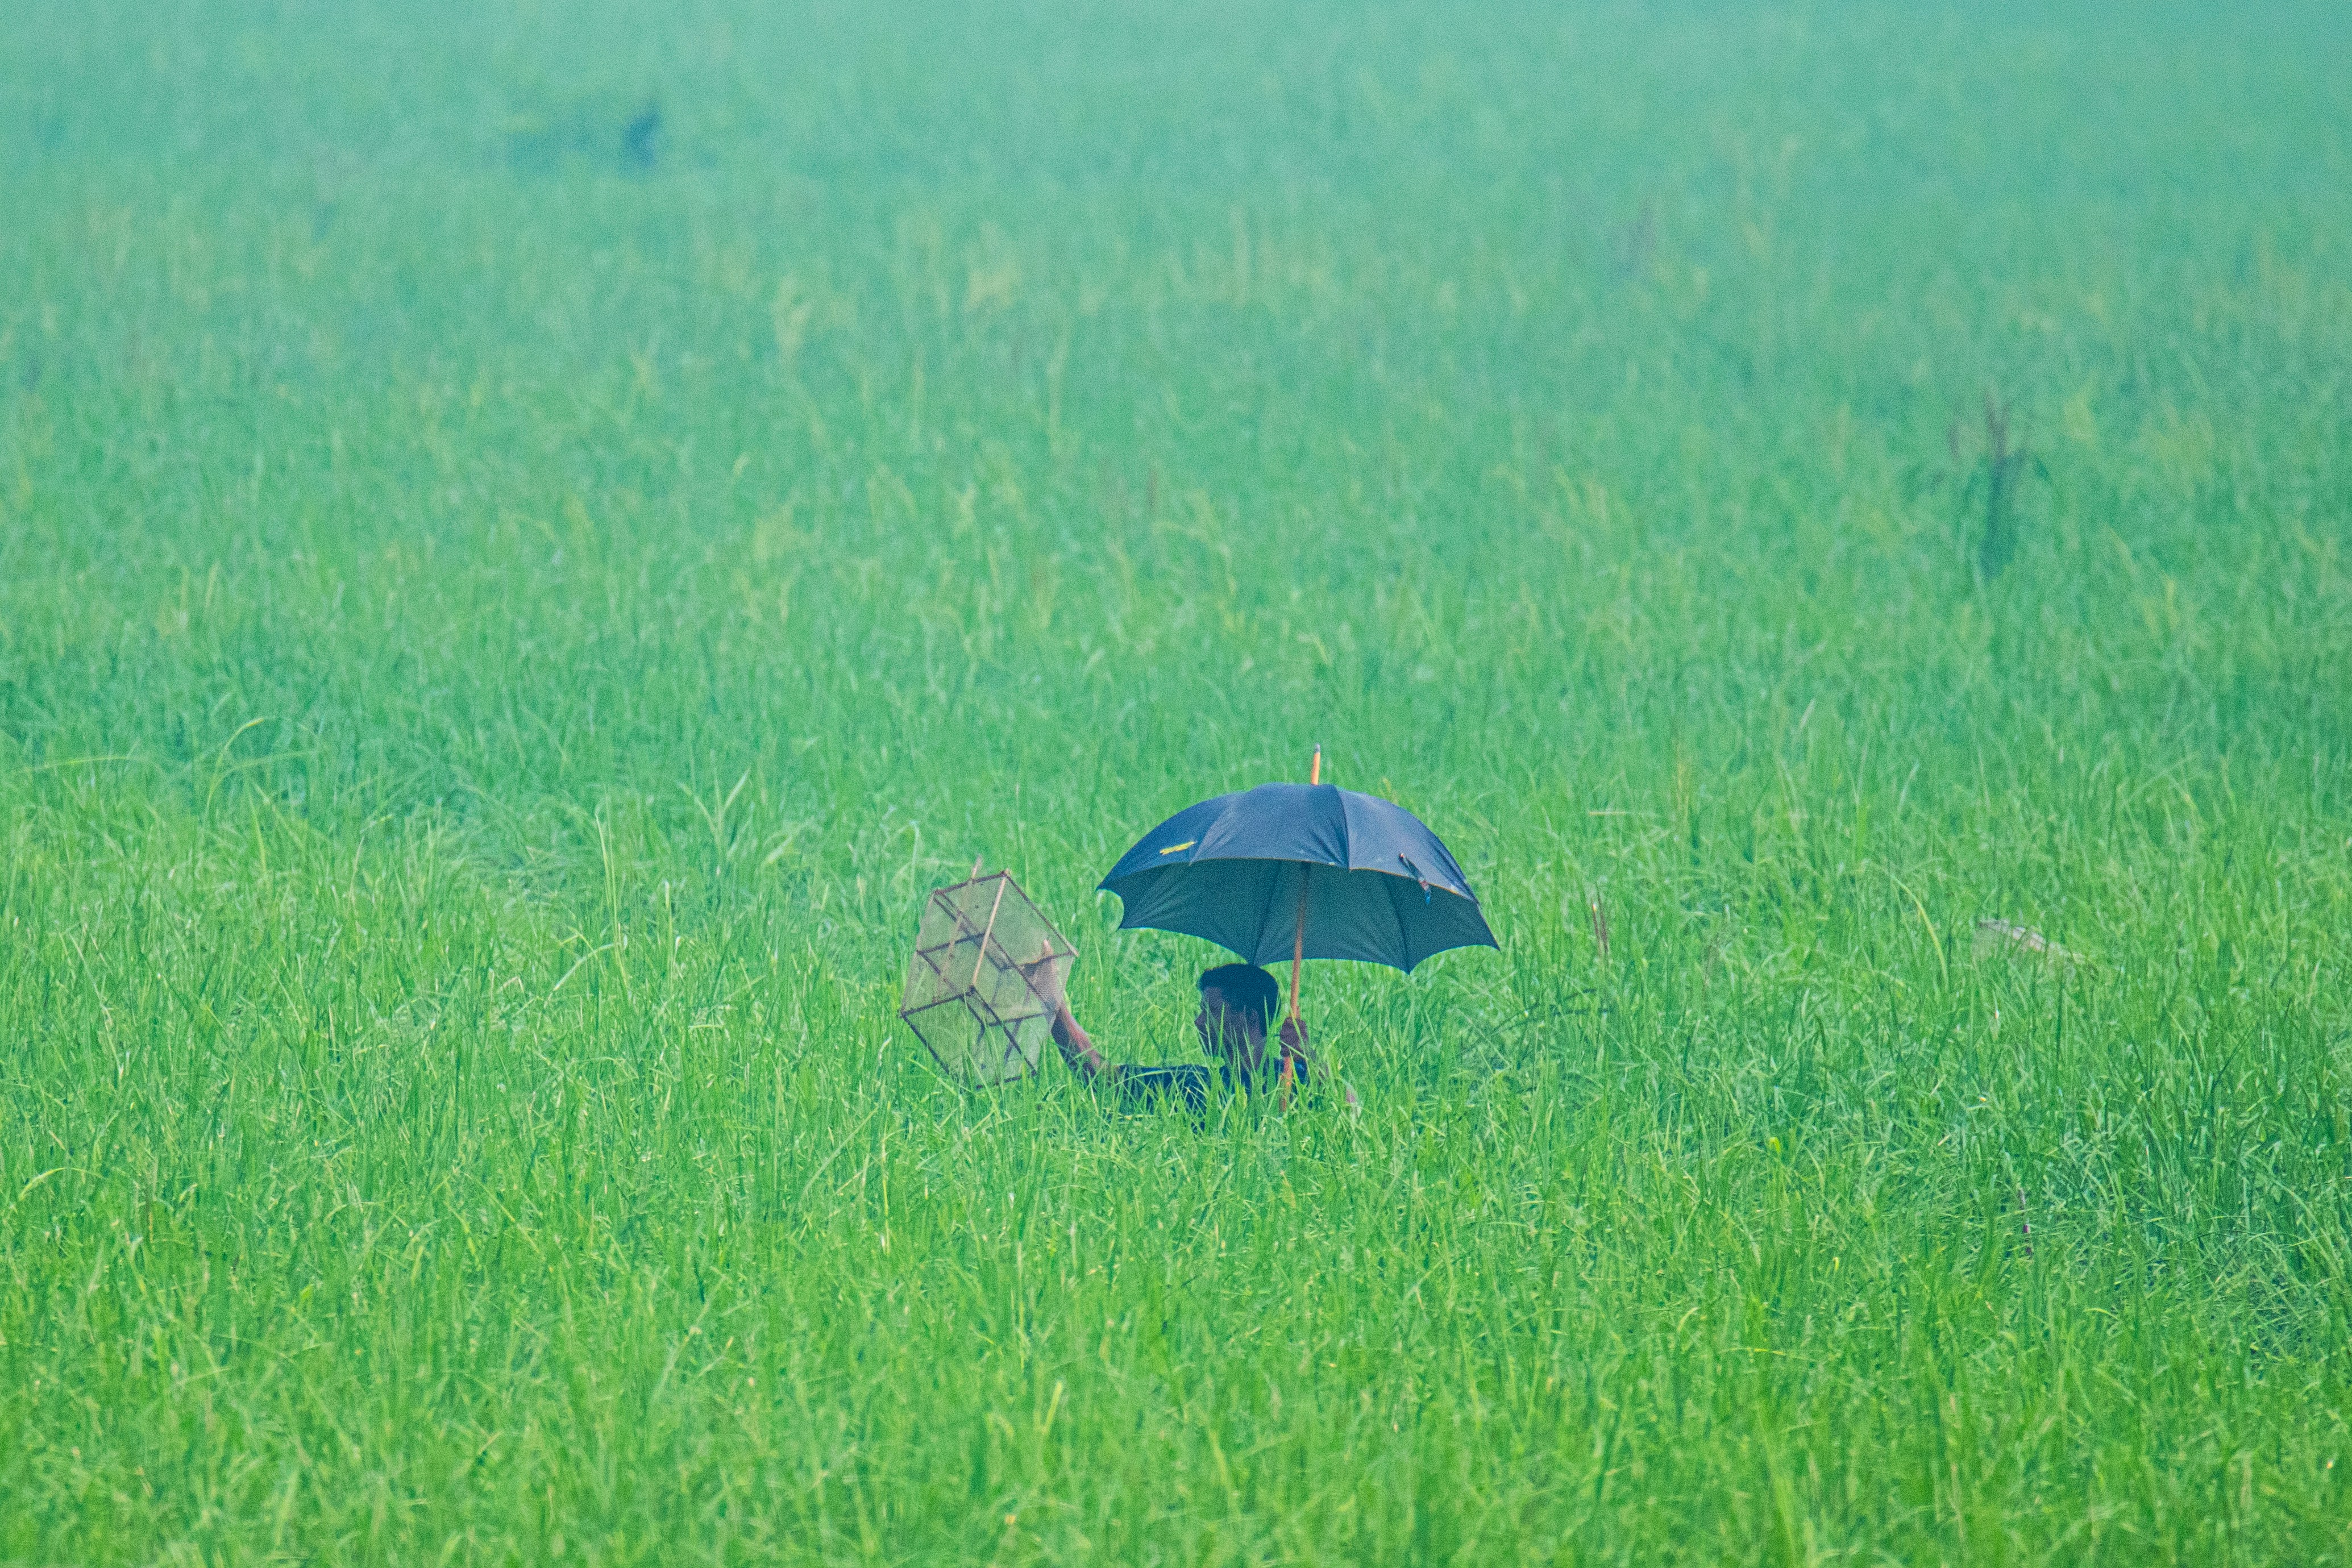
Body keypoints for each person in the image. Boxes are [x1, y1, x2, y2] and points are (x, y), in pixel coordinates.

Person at [1025, 955, 1355, 1112]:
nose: (1198, 1023)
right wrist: (1055, 1004)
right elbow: (1103, 1077)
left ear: (1250, 1019)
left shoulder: (1293, 1080)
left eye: (1210, 1012)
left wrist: (1307, 1056)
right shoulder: (1195, 1086)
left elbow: (1351, 1112)